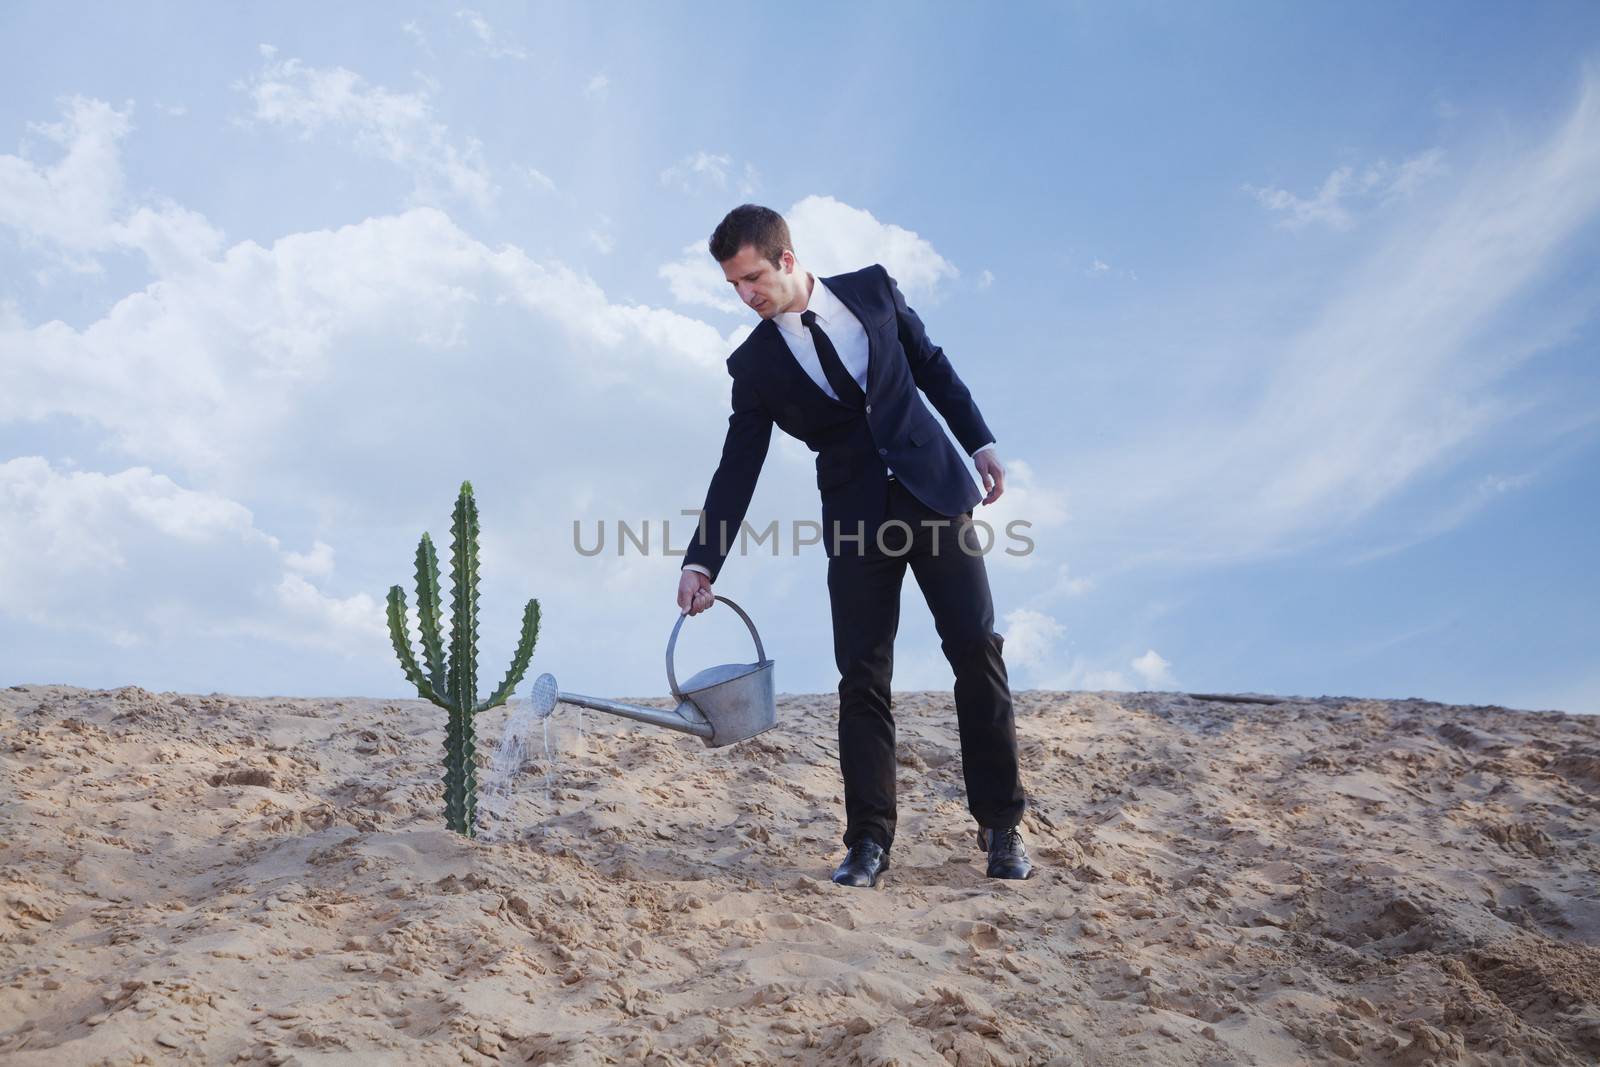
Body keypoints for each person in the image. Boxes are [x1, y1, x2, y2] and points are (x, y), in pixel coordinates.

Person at [676, 204, 1032, 887]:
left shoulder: (872, 289)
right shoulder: (753, 365)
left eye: (752, 277)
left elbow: (930, 365)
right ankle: (868, 841)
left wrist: (979, 440)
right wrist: (702, 560)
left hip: (933, 490)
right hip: (855, 519)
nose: (746, 295)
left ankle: (1002, 826)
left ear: (785, 259)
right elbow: (737, 467)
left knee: (976, 649)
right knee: (863, 677)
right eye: (733, 286)